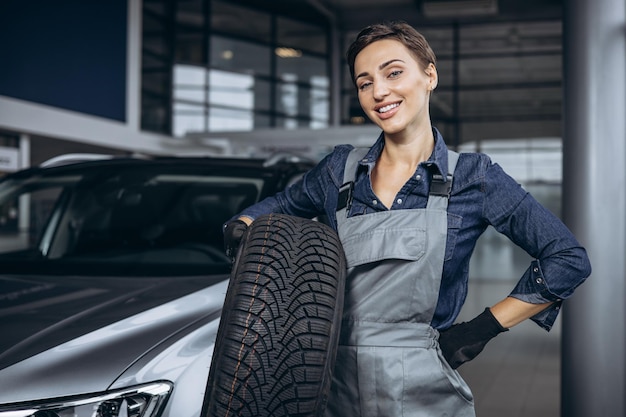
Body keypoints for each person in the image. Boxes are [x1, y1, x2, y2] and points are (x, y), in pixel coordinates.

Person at [223, 20, 591, 417]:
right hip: (328, 383)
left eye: (393, 72)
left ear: (429, 74)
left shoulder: (474, 177)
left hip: (425, 387)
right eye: (364, 83)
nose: (379, 92)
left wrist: (476, 332)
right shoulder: (337, 172)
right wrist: (243, 228)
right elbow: (270, 210)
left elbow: (567, 259)